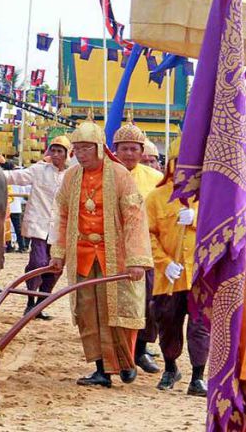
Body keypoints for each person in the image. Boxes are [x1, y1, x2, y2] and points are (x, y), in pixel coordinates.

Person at [50, 121, 153, 387]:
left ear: (99, 148)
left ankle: (126, 361)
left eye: (86, 148)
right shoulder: (71, 178)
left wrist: (137, 259)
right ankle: (101, 371)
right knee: (89, 312)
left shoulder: (119, 175)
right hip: (82, 255)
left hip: (115, 257)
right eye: (78, 149)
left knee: (119, 311)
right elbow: (61, 215)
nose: (81, 154)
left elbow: (134, 219)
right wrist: (58, 252)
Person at [146, 138, 208, 396]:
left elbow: (225, 229)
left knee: (200, 325)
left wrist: (199, 218)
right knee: (168, 322)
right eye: (180, 164)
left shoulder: (208, 198)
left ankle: (197, 376)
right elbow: (147, 235)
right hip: (168, 276)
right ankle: (170, 367)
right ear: (170, 164)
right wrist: (164, 262)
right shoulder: (156, 197)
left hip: (199, 275)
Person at [113, 121, 164, 375]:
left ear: (142, 151)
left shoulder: (155, 179)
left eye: (134, 148)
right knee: (112, 305)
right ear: (115, 150)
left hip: (147, 252)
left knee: (149, 304)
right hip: (112, 251)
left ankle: (141, 350)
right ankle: (116, 355)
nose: (129, 153)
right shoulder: (106, 175)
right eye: (124, 149)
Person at [4, 136, 71, 319]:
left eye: (60, 151)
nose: (56, 155)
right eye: (53, 150)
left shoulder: (73, 175)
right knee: (38, 263)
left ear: (67, 154)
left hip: (60, 230)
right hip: (39, 226)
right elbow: (15, 176)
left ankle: (40, 306)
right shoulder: (39, 170)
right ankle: (30, 302)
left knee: (55, 267)